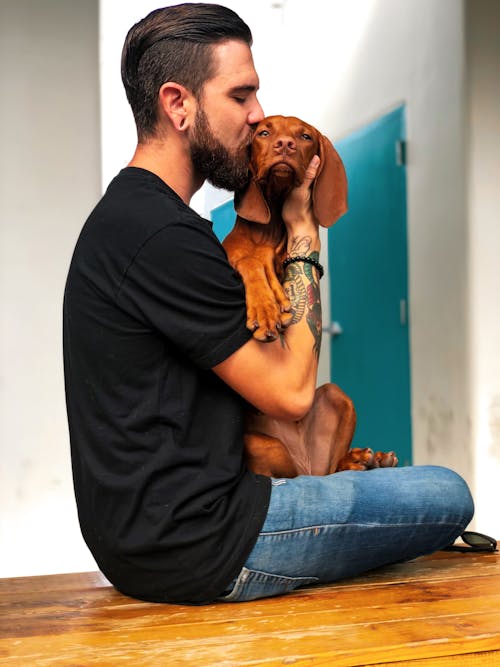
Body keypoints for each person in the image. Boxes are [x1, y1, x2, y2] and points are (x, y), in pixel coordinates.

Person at [63, 3, 474, 605]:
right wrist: (303, 233)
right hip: (204, 540)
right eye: (241, 96)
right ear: (179, 105)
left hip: (160, 535)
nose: (258, 115)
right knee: (445, 492)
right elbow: (290, 393)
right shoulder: (160, 236)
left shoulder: (141, 218)